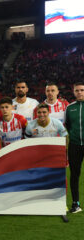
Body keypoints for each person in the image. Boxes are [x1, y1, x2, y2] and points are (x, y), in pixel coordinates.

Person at [65, 82, 84, 213]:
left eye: (82, 90)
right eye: (77, 90)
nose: (80, 93)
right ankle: (75, 204)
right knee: (74, 175)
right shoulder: (69, 108)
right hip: (75, 145)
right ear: (73, 92)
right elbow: (67, 127)